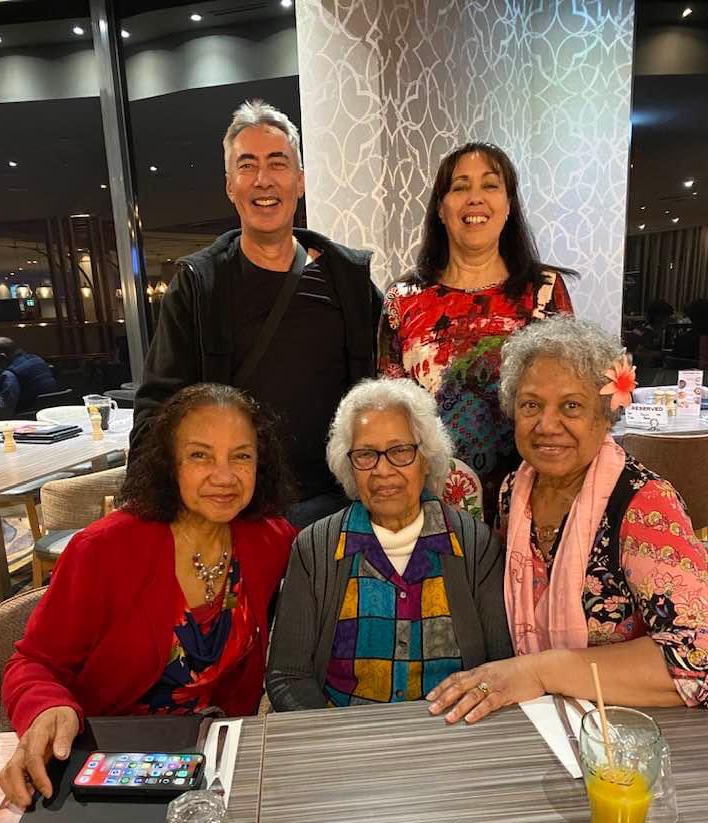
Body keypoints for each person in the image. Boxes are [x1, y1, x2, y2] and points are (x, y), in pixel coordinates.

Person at [0, 383, 295, 806]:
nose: (225, 476)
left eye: (241, 456)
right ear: (169, 463)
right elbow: (34, 662)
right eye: (200, 455)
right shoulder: (104, 550)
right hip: (103, 764)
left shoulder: (270, 539)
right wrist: (46, 708)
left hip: (213, 766)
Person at [426, 317, 708, 725]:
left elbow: (697, 657)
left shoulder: (645, 506)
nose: (546, 425)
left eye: (571, 406)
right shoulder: (513, 492)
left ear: (604, 415)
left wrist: (541, 671)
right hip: (544, 723)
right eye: (531, 405)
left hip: (636, 730)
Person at [131, 99, 383, 528]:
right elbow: (158, 409)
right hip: (236, 513)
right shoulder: (198, 286)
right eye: (247, 166)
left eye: (277, 163)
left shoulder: (349, 282)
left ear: (299, 181)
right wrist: (151, 514)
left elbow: (385, 387)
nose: (263, 180)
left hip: (337, 508)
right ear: (230, 185)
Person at [266, 378, 512, 710]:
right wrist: (335, 744)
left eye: (399, 451)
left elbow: (499, 667)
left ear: (425, 458)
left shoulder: (475, 546)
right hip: (344, 737)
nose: (382, 470)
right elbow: (288, 677)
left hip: (451, 734)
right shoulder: (314, 549)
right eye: (366, 454)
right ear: (350, 465)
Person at [378, 142, 575, 520]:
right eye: (459, 186)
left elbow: (565, 401)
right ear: (440, 207)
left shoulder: (545, 290)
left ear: (509, 205)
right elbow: (394, 418)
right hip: (435, 507)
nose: (475, 199)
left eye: (489, 185)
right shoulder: (403, 300)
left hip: (533, 501)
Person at [0, 337, 58, 416]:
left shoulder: (11, 374)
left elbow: (4, 412)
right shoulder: (38, 360)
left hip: (28, 418)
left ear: (3, 357)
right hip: (51, 412)